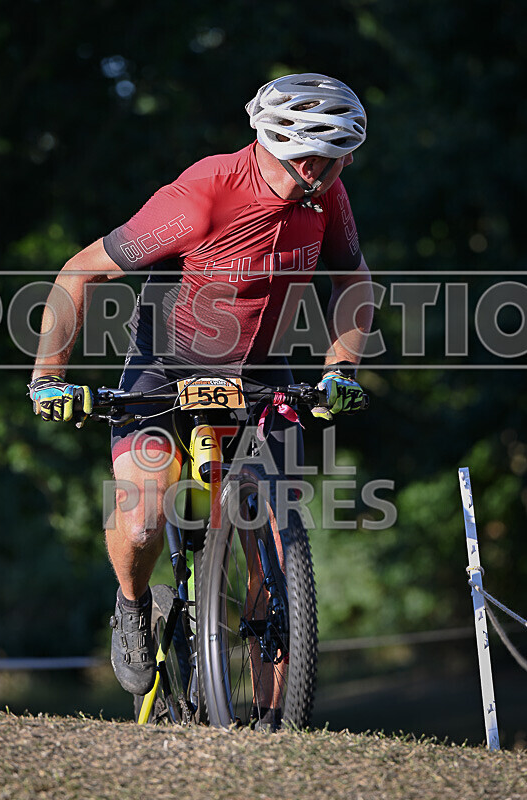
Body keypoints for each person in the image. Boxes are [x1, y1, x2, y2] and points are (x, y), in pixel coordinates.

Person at [28, 73, 374, 701]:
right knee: (140, 520)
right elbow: (80, 271)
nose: (322, 175)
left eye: (338, 158)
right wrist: (49, 377)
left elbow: (353, 281)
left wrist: (338, 371)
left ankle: (276, 730)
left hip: (264, 367)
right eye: (308, 162)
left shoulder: (329, 196)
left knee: (273, 531)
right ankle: (132, 608)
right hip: (169, 360)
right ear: (266, 142)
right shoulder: (204, 195)